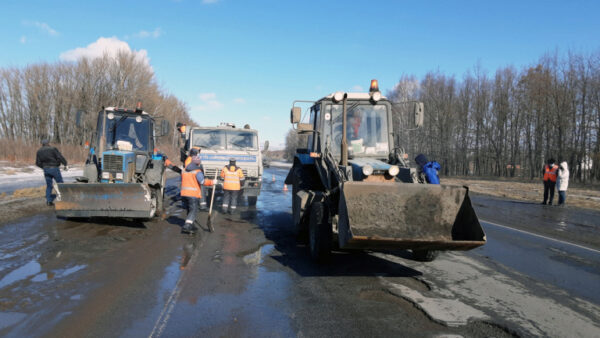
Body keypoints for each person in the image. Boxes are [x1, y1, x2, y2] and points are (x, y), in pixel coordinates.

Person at [180, 155, 213, 233]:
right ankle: (187, 226)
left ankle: (191, 225)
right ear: (198, 164)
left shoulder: (184, 170)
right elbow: (202, 182)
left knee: (189, 210)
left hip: (184, 193)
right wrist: (212, 182)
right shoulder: (197, 172)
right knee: (193, 210)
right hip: (192, 194)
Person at [35, 139, 67, 206]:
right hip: (54, 168)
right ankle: (64, 198)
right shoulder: (53, 149)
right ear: (48, 143)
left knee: (49, 185)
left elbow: (37, 163)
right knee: (60, 183)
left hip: (46, 170)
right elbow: (60, 157)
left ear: (42, 144)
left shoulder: (39, 151)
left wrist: (44, 167)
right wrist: (65, 163)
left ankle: (49, 201)